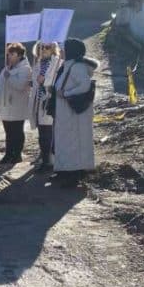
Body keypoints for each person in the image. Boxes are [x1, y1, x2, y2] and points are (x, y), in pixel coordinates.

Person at [52, 38, 98, 188]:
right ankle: (64, 170)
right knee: (64, 141)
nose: (60, 51)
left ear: (71, 50)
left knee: (73, 142)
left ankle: (74, 173)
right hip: (66, 113)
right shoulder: (67, 65)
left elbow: (84, 86)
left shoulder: (77, 67)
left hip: (74, 113)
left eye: (63, 48)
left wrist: (66, 93)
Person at [0, 42, 32, 165]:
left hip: (18, 105)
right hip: (6, 105)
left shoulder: (25, 69)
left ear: (20, 55)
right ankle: (8, 154)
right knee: (8, 132)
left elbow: (21, 86)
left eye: (12, 54)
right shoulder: (7, 68)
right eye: (8, 54)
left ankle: (17, 155)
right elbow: (0, 86)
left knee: (17, 131)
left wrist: (9, 77)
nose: (9, 56)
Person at [28, 41, 62, 172]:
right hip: (38, 103)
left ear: (53, 49)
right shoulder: (38, 64)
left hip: (49, 102)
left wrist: (45, 81)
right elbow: (36, 83)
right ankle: (44, 158)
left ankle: (49, 162)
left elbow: (55, 82)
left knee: (48, 133)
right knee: (42, 132)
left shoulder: (57, 63)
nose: (43, 50)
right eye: (41, 47)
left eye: (46, 47)